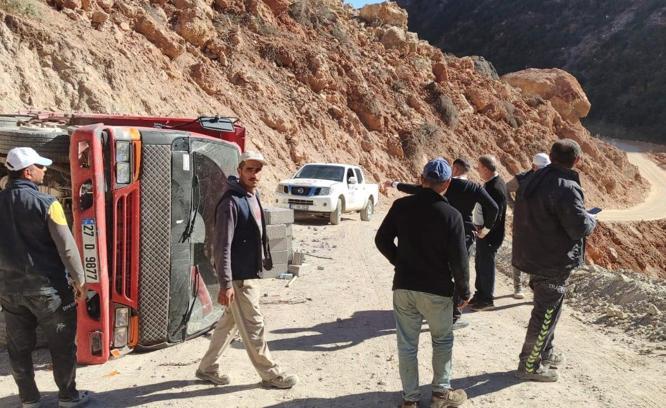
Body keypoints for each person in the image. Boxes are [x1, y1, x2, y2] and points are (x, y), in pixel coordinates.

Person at [196, 150, 298, 389]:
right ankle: (272, 375)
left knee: (228, 324)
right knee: (254, 326)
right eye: (249, 169)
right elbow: (222, 246)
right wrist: (226, 284)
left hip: (249, 273)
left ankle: (207, 368)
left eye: (257, 170)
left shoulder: (252, 195)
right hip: (239, 278)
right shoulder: (231, 202)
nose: (254, 174)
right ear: (239, 170)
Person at [375, 157, 470, 408]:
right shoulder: (452, 215)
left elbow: (381, 240)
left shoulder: (400, 206)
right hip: (437, 289)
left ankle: (410, 400)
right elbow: (460, 260)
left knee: (407, 344)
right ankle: (440, 395)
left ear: (421, 179)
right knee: (442, 340)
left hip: (404, 286)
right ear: (447, 183)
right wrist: (464, 291)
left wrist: (400, 262)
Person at [0, 147, 89, 408]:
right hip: (49, 289)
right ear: (28, 172)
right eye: (41, 166)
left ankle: (29, 400)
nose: (45, 170)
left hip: (10, 290)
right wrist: (79, 280)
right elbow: (67, 248)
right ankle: (68, 397)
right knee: (61, 345)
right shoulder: (48, 204)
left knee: (18, 349)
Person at [513, 140, 596, 382]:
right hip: (552, 259)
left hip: (533, 254)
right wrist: (592, 220)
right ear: (577, 161)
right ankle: (529, 364)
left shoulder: (533, 178)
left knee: (550, 309)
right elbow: (579, 226)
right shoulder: (566, 187)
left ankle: (546, 353)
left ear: (550, 156)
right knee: (546, 312)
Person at [384, 158, 498, 328]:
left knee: (438, 269)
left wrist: (394, 184)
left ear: (455, 169)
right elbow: (493, 207)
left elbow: (415, 189)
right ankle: (453, 316)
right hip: (464, 235)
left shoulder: (440, 185)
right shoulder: (473, 187)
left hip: (438, 233)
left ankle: (429, 309)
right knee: (458, 269)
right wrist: (485, 229)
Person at [506, 152, 550, 299]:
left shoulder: (548, 180)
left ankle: (535, 288)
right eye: (541, 167)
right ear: (533, 166)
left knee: (536, 256)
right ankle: (517, 288)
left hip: (539, 225)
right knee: (519, 254)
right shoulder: (522, 178)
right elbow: (505, 188)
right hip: (522, 224)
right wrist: (514, 206)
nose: (544, 170)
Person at [470, 155, 507, 311]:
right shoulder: (490, 184)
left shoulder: (496, 187)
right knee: (480, 263)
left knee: (486, 265)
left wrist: (485, 230)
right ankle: (480, 294)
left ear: (486, 168)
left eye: (479, 167)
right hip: (484, 232)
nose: (477, 170)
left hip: (490, 234)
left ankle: (487, 299)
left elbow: (496, 214)